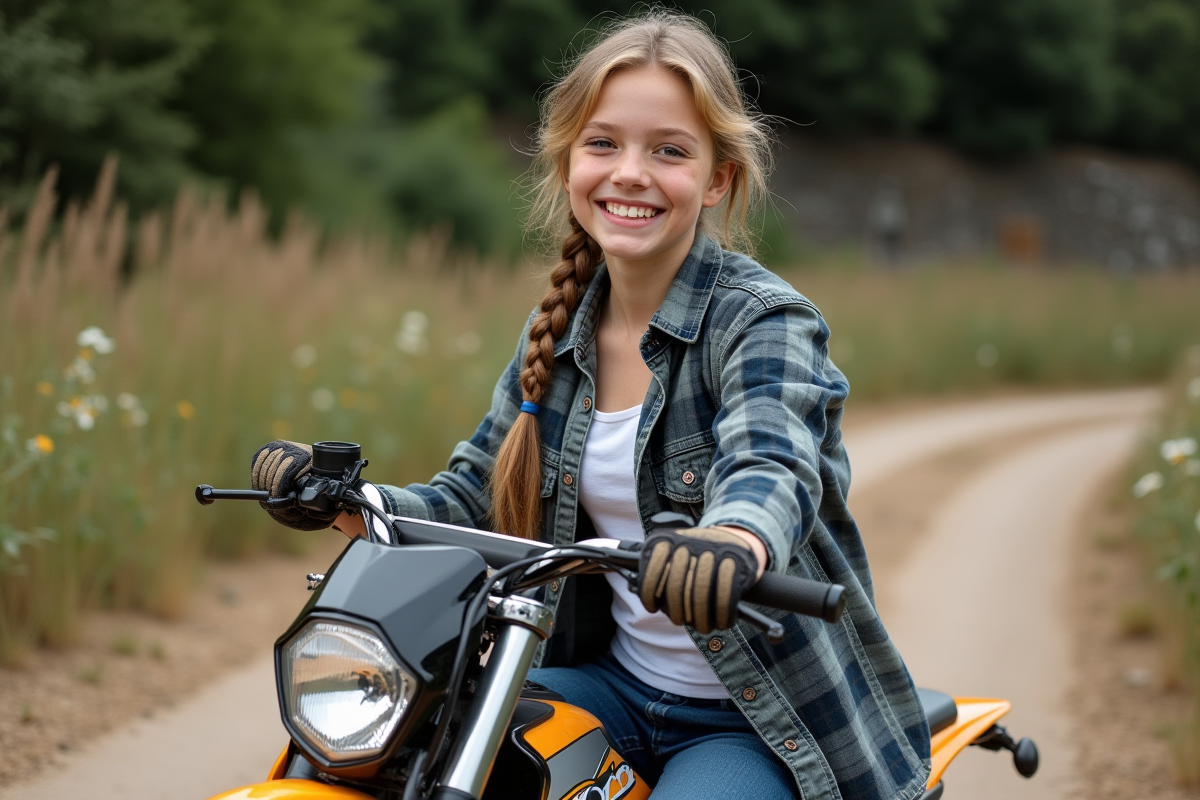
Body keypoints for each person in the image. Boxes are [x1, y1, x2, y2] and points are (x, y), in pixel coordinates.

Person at [250, 12, 930, 800]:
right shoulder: (561, 326)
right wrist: (346, 500)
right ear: (569, 161)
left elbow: (772, 462)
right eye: (603, 143)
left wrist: (734, 541)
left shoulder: (763, 322)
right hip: (607, 682)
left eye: (668, 150)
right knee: (411, 751)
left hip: (752, 717)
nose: (630, 172)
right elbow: (472, 494)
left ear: (717, 179)